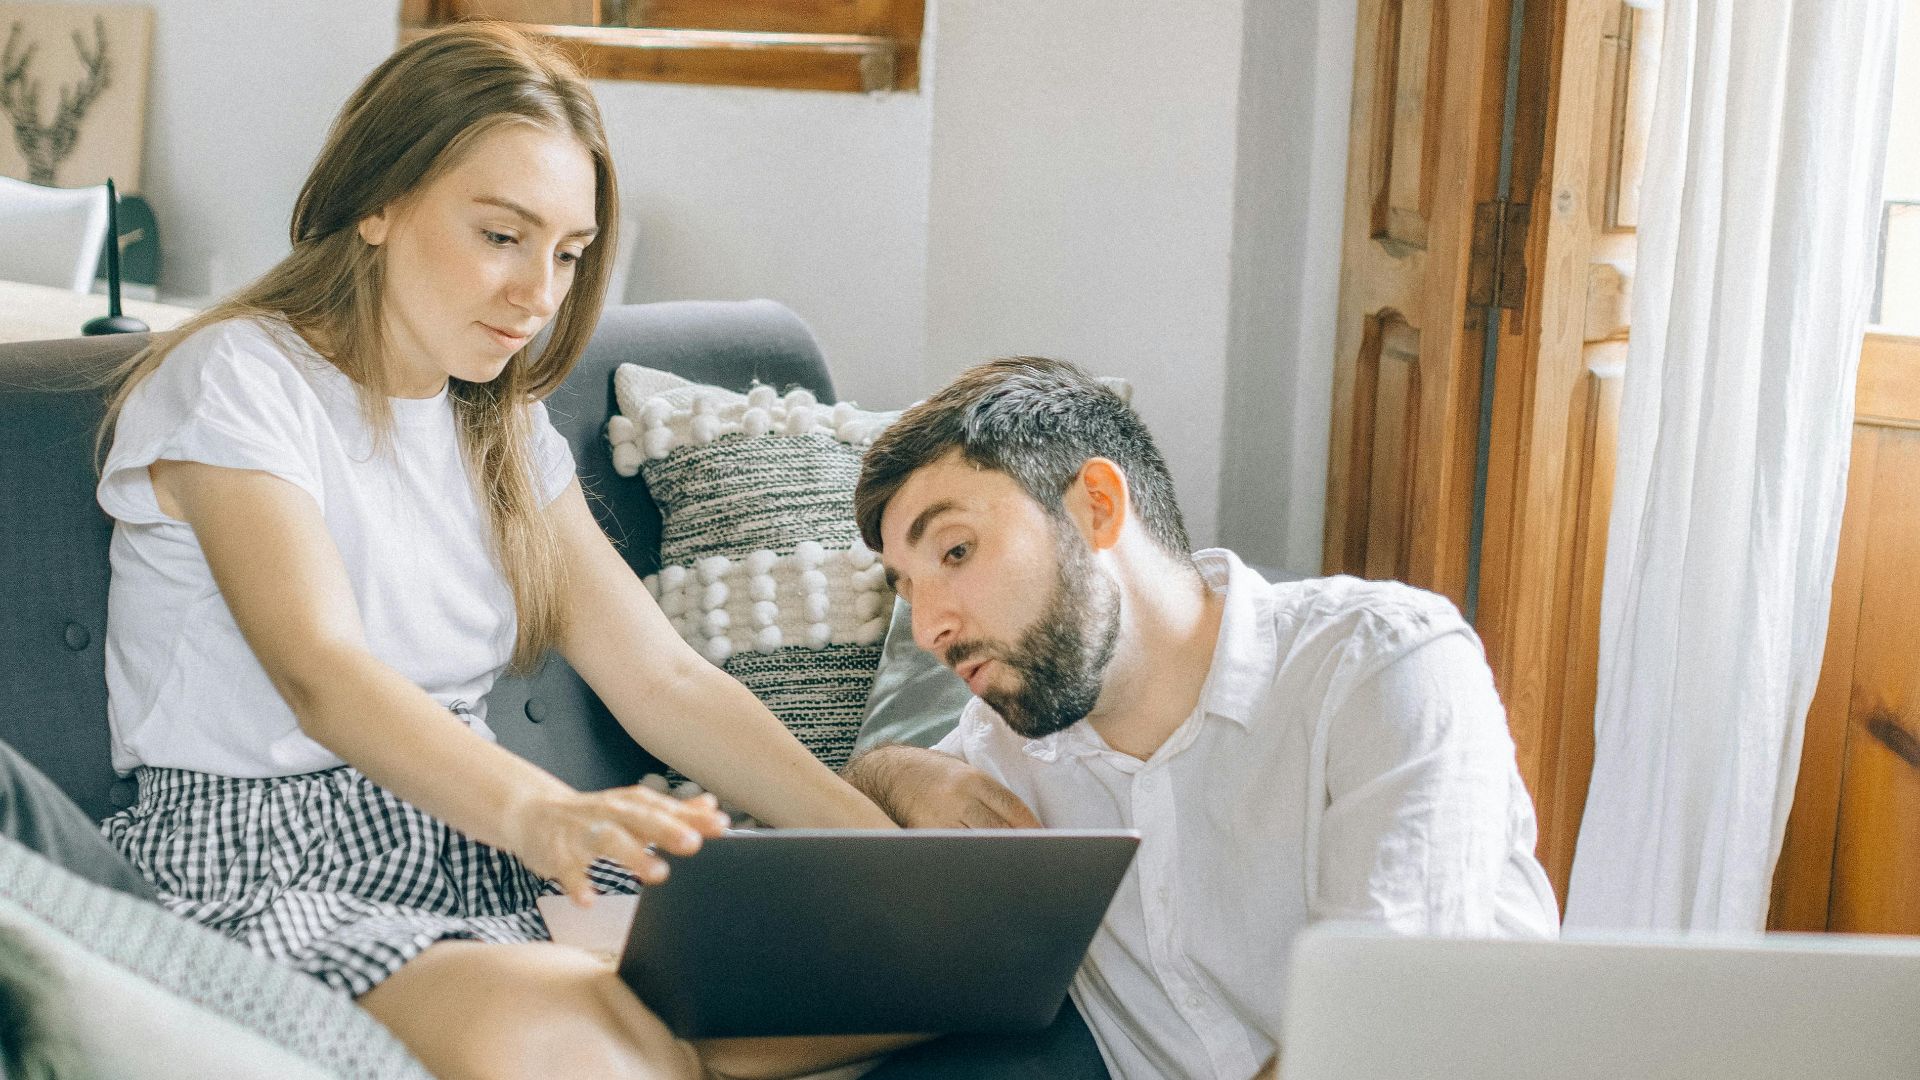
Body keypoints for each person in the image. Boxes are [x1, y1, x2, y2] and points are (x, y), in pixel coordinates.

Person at [93, 24, 905, 1080]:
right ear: (376, 203)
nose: (540, 295)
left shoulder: (501, 426)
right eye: (501, 236)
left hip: (476, 844)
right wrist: (541, 812)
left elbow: (662, 679)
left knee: (929, 976)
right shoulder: (237, 379)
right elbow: (322, 674)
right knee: (588, 1046)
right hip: (265, 863)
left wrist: (886, 863)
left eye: (568, 255)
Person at [841, 357, 1561, 1080]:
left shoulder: (1384, 663)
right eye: (908, 589)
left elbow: (1380, 1038)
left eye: (956, 551)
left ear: (1097, 506)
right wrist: (899, 770)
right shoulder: (1007, 743)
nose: (930, 626)